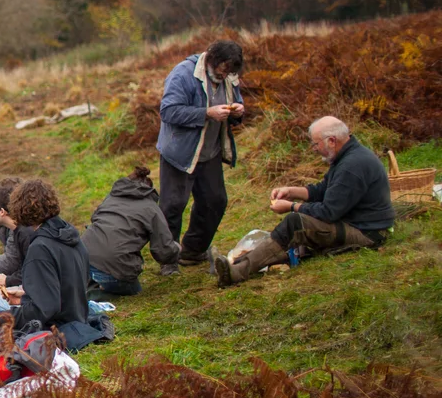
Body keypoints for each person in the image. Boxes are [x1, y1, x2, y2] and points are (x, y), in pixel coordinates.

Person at [215, 116, 396, 286]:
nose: (314, 148)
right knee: (295, 230)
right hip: (356, 223)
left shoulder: (352, 166)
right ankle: (237, 264)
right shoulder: (347, 156)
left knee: (296, 222)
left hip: (367, 233)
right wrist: (292, 191)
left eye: (315, 143)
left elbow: (328, 212)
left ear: (331, 141)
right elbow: (322, 190)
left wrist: (291, 206)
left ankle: (236, 272)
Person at [157, 39, 246, 274]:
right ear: (212, 59)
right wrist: (206, 113)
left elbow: (236, 100)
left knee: (215, 201)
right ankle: (168, 260)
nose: (226, 73)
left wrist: (238, 110)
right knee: (172, 206)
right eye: (224, 68)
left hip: (210, 152)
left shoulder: (229, 76)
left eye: (231, 70)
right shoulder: (183, 74)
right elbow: (168, 111)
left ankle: (193, 251)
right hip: (179, 152)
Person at [0, 179, 91, 341]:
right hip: (78, 316)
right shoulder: (67, 232)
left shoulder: (40, 247)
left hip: (57, 328)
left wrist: (0, 318)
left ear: (18, 209)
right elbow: (63, 287)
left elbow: (44, 309)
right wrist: (26, 295)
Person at [83, 166, 181, 296]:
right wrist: (177, 249)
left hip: (81, 260)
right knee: (133, 290)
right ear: (149, 190)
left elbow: (95, 220)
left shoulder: (110, 199)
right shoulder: (151, 208)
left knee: (98, 269)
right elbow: (164, 251)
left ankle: (91, 286)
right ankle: (99, 294)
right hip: (114, 269)